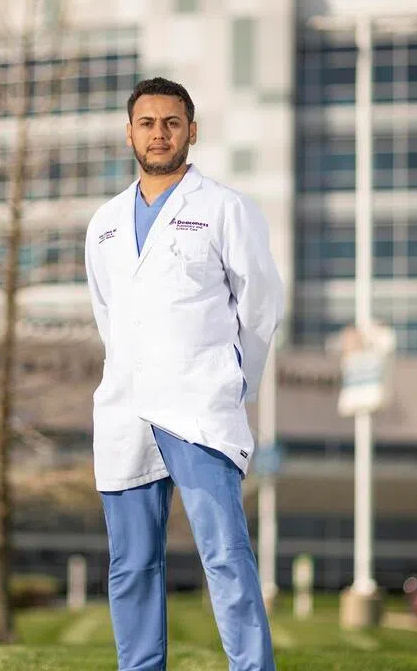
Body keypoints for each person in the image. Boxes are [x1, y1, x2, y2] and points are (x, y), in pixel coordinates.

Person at [84, 77, 285, 671]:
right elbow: (108, 313)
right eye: (147, 123)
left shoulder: (224, 208)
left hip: (199, 404)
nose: (159, 134)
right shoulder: (105, 223)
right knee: (132, 565)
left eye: (171, 123)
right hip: (125, 409)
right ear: (129, 133)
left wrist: (233, 380)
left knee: (225, 555)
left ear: (191, 132)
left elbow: (262, 306)